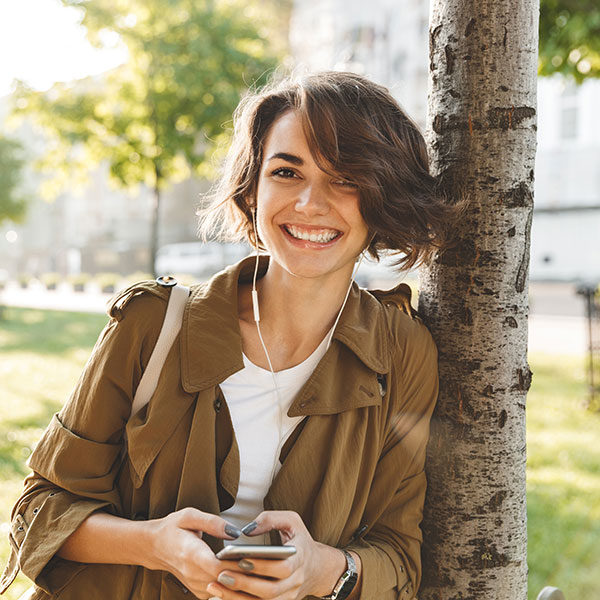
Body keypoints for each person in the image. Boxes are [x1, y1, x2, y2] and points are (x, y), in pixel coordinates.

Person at [1, 71, 454, 600]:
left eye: (346, 179)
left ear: (384, 197)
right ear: (253, 188)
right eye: (287, 172)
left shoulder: (402, 353)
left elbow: (398, 557)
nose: (310, 203)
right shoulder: (152, 326)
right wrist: (154, 544)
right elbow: (41, 508)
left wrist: (318, 569)